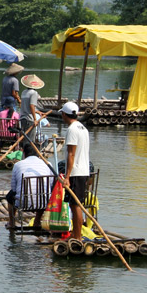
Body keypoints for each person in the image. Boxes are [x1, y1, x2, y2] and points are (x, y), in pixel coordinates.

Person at [6, 143, 54, 230]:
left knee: (9, 196)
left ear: (24, 153)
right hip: (44, 203)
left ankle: (11, 222)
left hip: (23, 202)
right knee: (43, 193)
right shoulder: (48, 164)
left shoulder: (18, 165)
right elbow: (50, 185)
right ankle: (37, 221)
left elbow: (13, 188)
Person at [61, 101, 90, 240]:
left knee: (75, 205)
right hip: (82, 171)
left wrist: (67, 176)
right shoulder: (83, 128)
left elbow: (71, 154)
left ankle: (77, 238)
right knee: (75, 204)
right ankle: (75, 234)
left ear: (64, 115)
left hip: (76, 172)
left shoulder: (72, 129)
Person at [19, 74, 45, 142]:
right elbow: (31, 106)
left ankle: (24, 151)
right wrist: (35, 119)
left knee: (24, 138)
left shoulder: (23, 92)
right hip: (29, 119)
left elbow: (25, 106)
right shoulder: (34, 93)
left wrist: (38, 112)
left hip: (23, 118)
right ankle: (30, 152)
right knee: (30, 140)